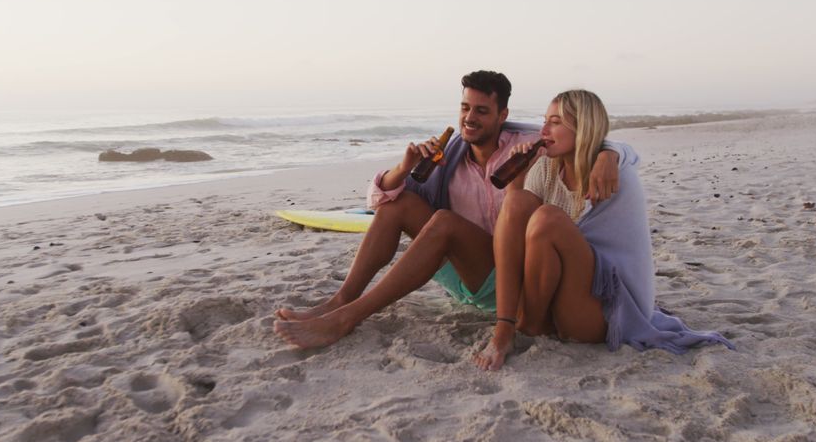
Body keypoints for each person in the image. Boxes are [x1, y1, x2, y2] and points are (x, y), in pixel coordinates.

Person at [274, 72, 621, 349]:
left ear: (503, 115)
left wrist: (608, 153)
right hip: (469, 272)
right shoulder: (447, 156)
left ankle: (348, 319)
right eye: (465, 108)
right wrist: (404, 167)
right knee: (400, 204)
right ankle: (341, 301)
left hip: (516, 275)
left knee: (445, 222)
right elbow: (377, 203)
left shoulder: (527, 147)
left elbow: (590, 136)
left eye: (481, 111)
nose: (469, 118)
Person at [474, 89, 734, 371]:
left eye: (556, 122)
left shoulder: (611, 172)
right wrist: (517, 175)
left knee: (548, 218)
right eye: (545, 120)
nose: (544, 130)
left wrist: (612, 152)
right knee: (517, 200)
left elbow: (626, 154)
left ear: (583, 127)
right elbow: (517, 223)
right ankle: (506, 326)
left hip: (605, 307)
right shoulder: (546, 168)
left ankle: (529, 326)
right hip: (559, 293)